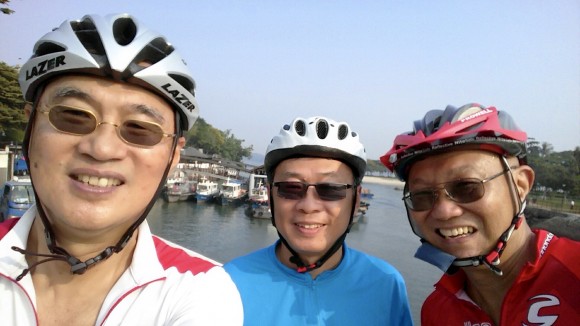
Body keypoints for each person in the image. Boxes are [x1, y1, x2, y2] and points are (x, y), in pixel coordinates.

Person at [0, 13, 242, 325]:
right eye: (73, 116)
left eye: (140, 129)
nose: (102, 149)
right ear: (30, 128)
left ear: (173, 157)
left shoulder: (200, 289)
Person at [381, 103, 580, 325]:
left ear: (521, 184)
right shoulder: (437, 311)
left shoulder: (574, 272)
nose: (444, 211)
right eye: (422, 196)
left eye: (467, 187)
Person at [225, 116, 413, 325]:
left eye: (331, 189)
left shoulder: (385, 284)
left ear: (356, 199)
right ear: (270, 196)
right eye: (291, 188)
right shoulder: (228, 283)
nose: (308, 205)